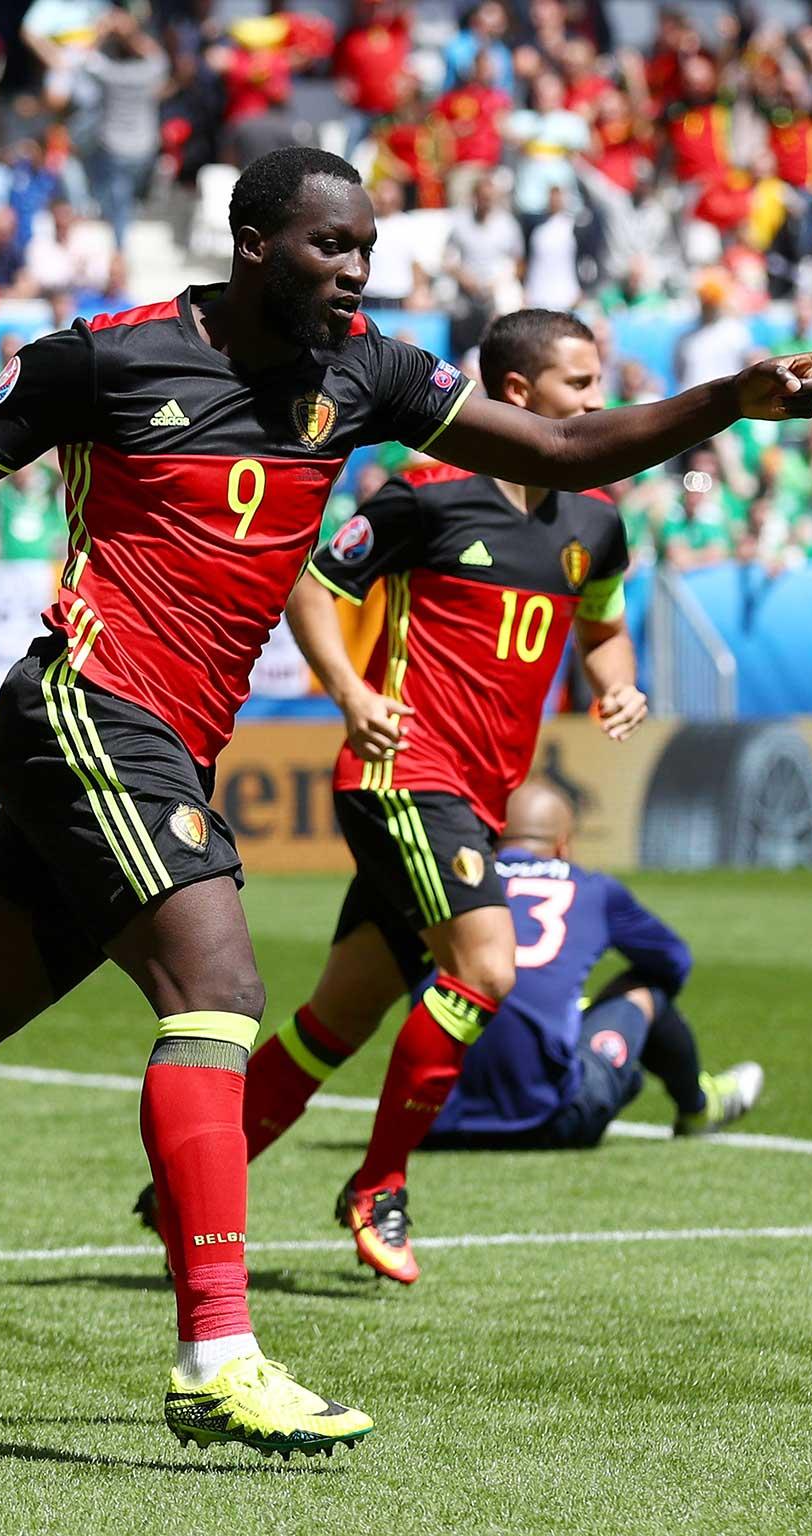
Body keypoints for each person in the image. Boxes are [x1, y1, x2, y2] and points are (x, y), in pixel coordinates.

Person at [0, 147, 812, 1455]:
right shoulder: (105, 359)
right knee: (218, 991)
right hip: (84, 707)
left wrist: (728, 401)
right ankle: (217, 1354)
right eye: (330, 248)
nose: (355, 274)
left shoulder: (372, 376)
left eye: (367, 252)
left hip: (167, 742)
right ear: (252, 244)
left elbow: (572, 446)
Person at [135, 309, 645, 1285]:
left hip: (474, 799)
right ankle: (377, 1185)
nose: (595, 401)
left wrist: (614, 680)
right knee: (484, 971)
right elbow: (308, 584)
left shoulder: (592, 521)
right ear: (515, 394)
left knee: (339, 1015)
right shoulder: (425, 498)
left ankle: (185, 1186)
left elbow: (600, 628)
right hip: (402, 776)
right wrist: (353, 690)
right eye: (578, 385)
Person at [419, 781, 761, 1150]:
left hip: (429, 1121)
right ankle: (699, 1106)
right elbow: (673, 962)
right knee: (647, 990)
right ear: (564, 845)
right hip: (554, 1120)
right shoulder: (593, 889)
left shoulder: (449, 883)